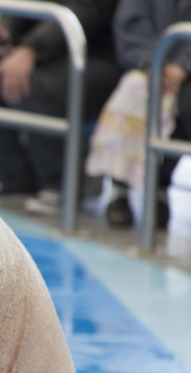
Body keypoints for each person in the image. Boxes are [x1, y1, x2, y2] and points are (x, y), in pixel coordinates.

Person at [0, 0, 122, 215]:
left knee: (35, 83)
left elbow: (89, 10)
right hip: (40, 50)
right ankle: (15, 178)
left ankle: (60, 186)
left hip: (95, 56)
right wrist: (8, 36)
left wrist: (32, 49)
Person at [86, 0, 191, 227]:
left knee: (182, 104)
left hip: (184, 71)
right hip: (144, 65)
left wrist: (182, 65)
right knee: (133, 92)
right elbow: (130, 26)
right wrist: (152, 62)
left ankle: (160, 188)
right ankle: (118, 188)